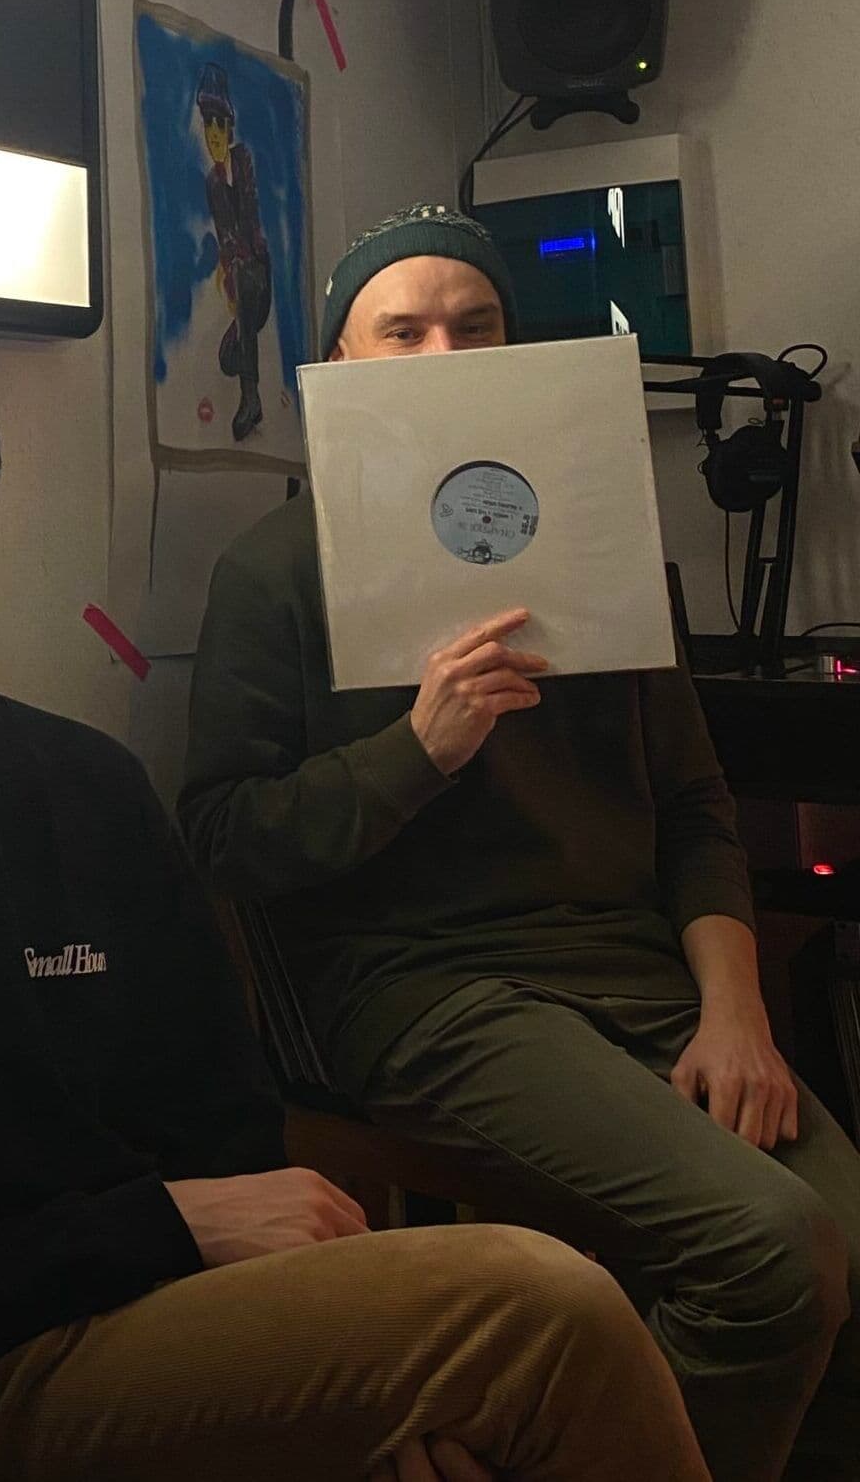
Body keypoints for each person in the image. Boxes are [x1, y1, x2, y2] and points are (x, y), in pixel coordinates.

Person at [0, 327, 711, 1482]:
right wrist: (160, 1231)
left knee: (512, 1371)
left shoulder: (92, 786)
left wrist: (364, 1385)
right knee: (538, 1307)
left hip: (183, 1313)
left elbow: (230, 1129)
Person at [181, 204, 860, 1482]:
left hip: (635, 980)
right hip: (424, 989)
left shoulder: (597, 547)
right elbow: (223, 836)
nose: (443, 356)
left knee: (841, 1256)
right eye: (403, 332)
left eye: (475, 327)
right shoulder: (275, 568)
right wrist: (416, 749)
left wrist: (739, 1016)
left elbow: (695, 806)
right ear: (336, 364)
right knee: (771, 1252)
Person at [195, 61, 273, 440]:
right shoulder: (213, 182)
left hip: (258, 275)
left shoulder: (242, 161)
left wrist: (244, 260)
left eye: (219, 124)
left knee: (244, 272)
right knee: (229, 359)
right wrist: (228, 269)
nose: (213, 134)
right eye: (207, 124)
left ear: (229, 128)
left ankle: (250, 398)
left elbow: (250, 218)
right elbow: (225, 234)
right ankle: (247, 383)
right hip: (240, 287)